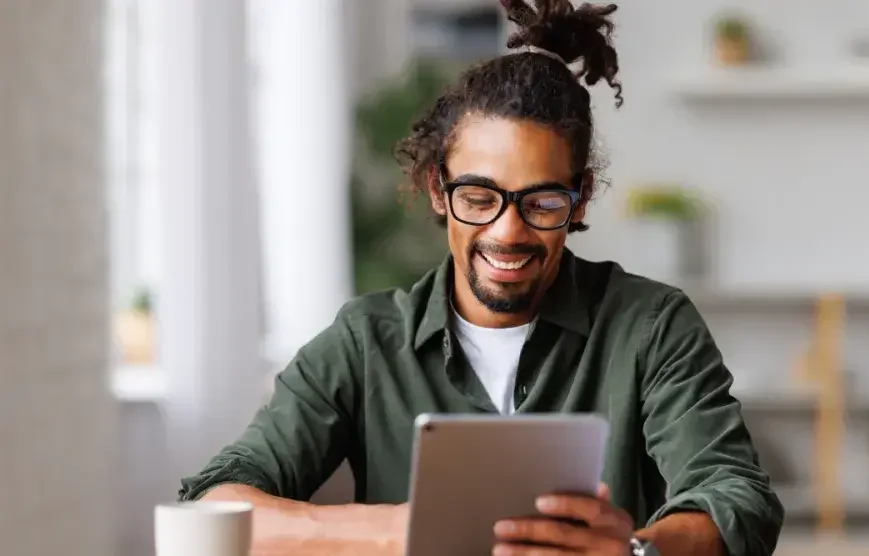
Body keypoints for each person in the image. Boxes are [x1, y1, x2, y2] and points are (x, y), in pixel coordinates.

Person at [179, 1, 784, 554]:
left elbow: (737, 500)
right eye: (479, 197)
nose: (508, 232)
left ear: (580, 201)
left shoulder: (651, 326)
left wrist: (637, 552)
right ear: (439, 191)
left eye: (541, 201)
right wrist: (398, 531)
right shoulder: (365, 342)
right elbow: (213, 507)